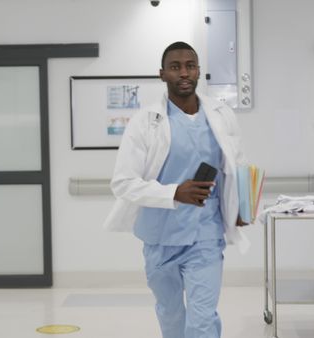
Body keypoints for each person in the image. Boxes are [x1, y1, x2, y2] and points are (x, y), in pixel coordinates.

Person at [102, 41, 250, 338]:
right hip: (160, 238)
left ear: (198, 71)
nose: (184, 72)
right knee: (171, 315)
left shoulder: (221, 116)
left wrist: (242, 208)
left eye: (190, 65)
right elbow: (122, 182)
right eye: (175, 67)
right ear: (162, 74)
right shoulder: (145, 122)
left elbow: (237, 165)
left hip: (205, 236)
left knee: (202, 320)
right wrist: (173, 193)